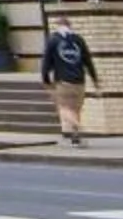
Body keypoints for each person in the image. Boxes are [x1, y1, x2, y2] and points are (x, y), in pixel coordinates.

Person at [40, 15, 100, 144]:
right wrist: (95, 80)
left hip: (63, 81)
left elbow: (46, 62)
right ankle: (76, 136)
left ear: (58, 25)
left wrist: (45, 79)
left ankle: (77, 126)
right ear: (69, 25)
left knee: (63, 108)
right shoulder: (79, 40)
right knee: (75, 109)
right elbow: (88, 61)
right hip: (80, 81)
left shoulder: (53, 40)